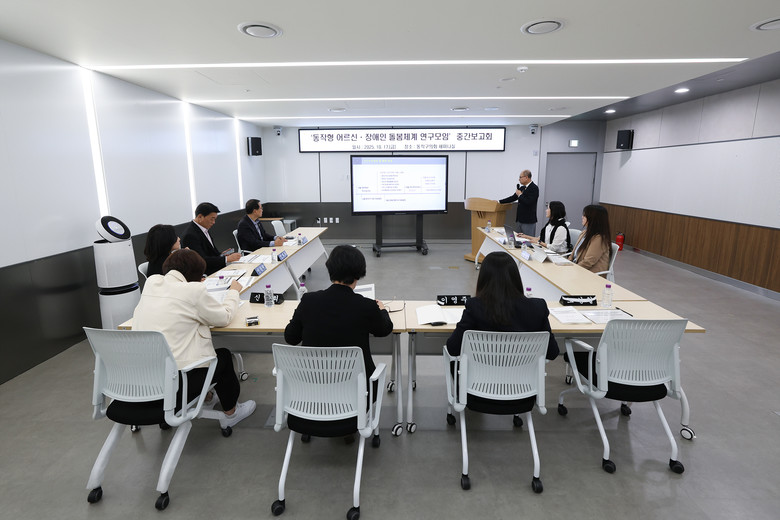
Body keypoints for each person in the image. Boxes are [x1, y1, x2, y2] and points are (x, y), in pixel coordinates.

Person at [132, 249, 255, 428]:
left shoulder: (152, 282)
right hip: (178, 383)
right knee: (223, 356)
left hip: (146, 379)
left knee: (183, 345)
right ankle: (231, 413)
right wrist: (233, 292)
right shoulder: (193, 290)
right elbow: (224, 317)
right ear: (196, 275)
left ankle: (207, 397)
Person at [284, 245, 393, 394]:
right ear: (359, 273)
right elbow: (384, 329)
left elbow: (291, 338)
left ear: (330, 270)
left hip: (311, 392)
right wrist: (382, 310)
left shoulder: (309, 300)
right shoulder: (366, 306)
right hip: (357, 395)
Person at [446, 251, 559, 360]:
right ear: (516, 277)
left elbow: (453, 348)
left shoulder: (475, 306)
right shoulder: (538, 308)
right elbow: (552, 353)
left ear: (483, 278)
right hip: (524, 373)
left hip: (482, 372)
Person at [181, 202, 242, 275]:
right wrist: (226, 259)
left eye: (215, 219)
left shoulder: (203, 228)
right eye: (212, 219)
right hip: (207, 274)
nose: (213, 222)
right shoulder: (190, 235)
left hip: (216, 268)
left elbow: (209, 252)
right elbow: (201, 260)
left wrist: (221, 255)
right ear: (200, 217)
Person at [570, 204, 611, 274]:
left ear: (593, 219)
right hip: (578, 268)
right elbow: (573, 254)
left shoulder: (599, 238)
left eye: (585, 215)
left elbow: (588, 262)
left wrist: (572, 270)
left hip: (589, 274)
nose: (582, 217)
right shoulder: (584, 232)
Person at [499, 169, 539, 236]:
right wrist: (499, 201)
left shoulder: (534, 188)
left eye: (520, 177)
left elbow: (529, 202)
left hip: (528, 221)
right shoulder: (522, 188)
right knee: (518, 239)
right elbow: (512, 198)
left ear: (526, 177)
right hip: (519, 220)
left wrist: (520, 195)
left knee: (527, 240)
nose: (519, 179)